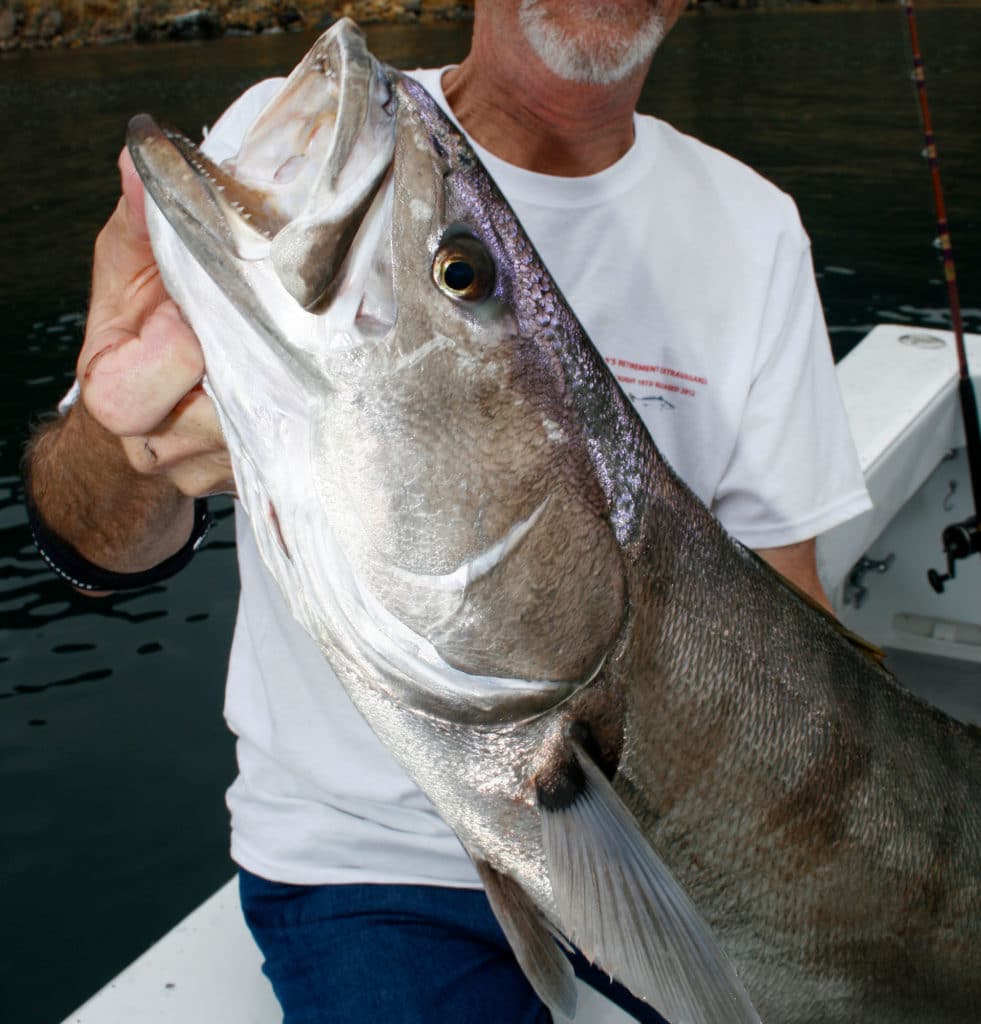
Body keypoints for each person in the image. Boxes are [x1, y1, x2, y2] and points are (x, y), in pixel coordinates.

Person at [23, 2, 872, 1021]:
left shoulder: (754, 224)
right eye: (457, 274)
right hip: (364, 862)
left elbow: (792, 596)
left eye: (459, 274)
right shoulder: (291, 155)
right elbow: (95, 546)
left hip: (676, 845)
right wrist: (131, 445)